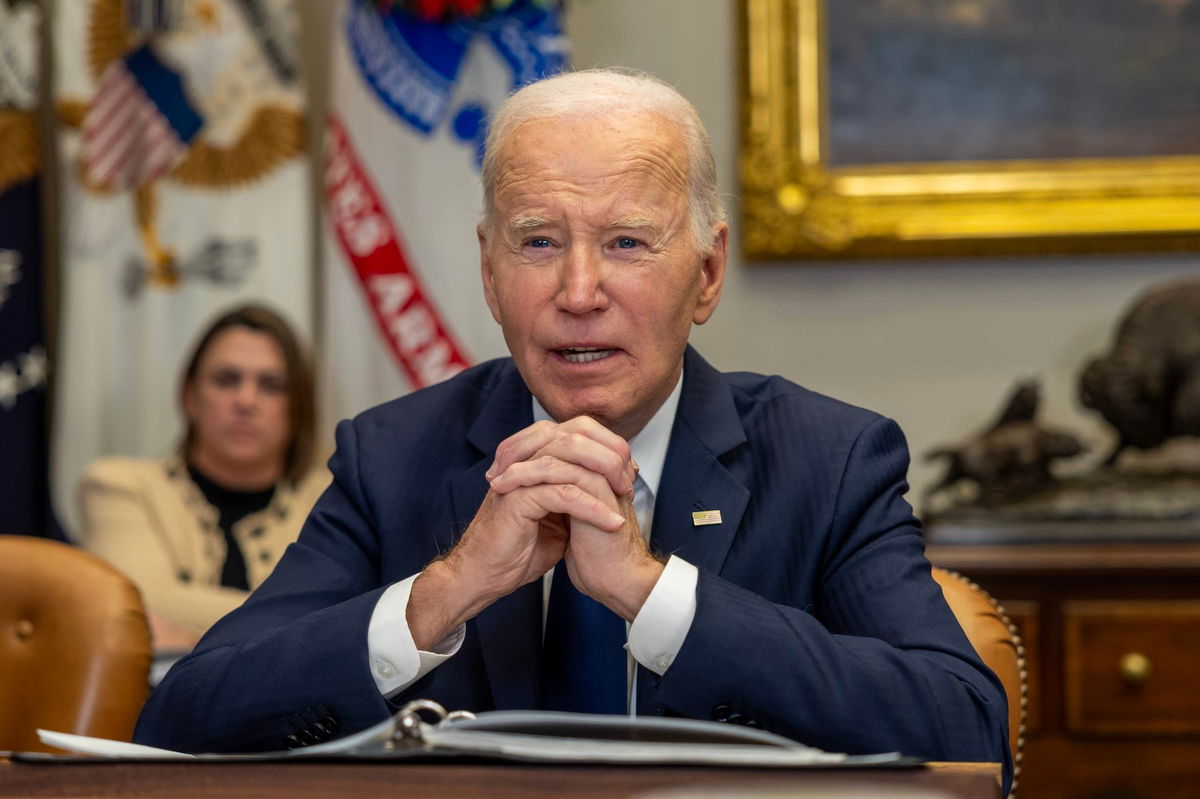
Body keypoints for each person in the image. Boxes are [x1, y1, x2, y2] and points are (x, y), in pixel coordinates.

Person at [135, 69, 1011, 791]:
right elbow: (179, 723)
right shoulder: (395, 454)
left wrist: (653, 593)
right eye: (538, 242)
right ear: (488, 270)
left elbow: (968, 731)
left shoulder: (827, 460)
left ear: (706, 274)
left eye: (627, 242)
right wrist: (445, 591)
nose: (579, 290)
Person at [78, 304, 329, 653]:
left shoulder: (335, 500)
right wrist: (303, 627)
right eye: (227, 380)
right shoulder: (119, 486)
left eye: (270, 385)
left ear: (297, 406)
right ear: (189, 397)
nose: (245, 400)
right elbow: (139, 602)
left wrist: (191, 638)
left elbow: (355, 619)